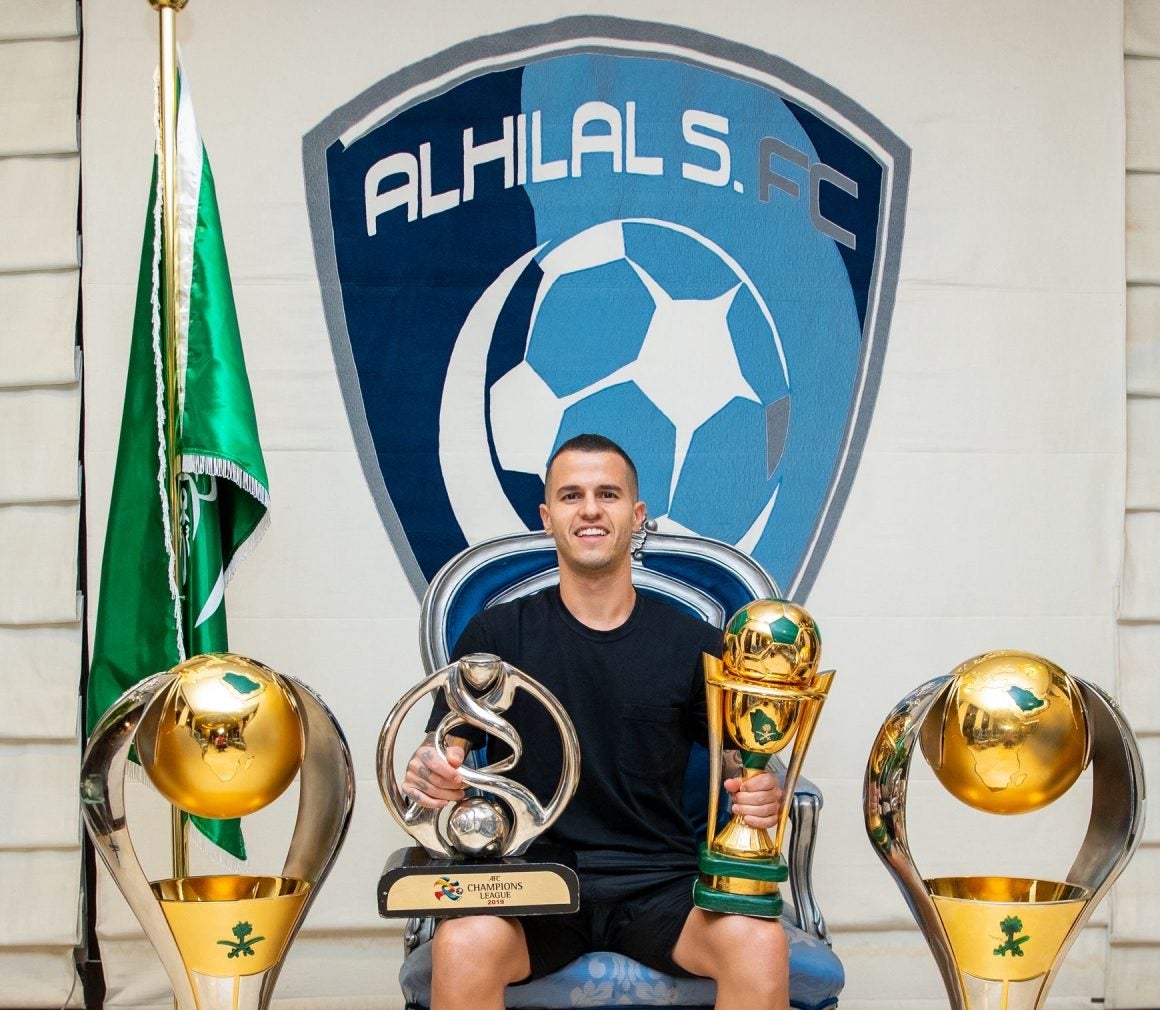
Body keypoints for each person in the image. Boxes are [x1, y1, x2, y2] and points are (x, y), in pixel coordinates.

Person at [404, 434, 790, 1010]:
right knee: (462, 945)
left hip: (663, 882)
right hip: (532, 877)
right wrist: (432, 773)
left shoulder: (697, 646)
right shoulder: (497, 636)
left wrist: (761, 788)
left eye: (607, 494)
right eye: (571, 495)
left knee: (759, 944)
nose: (589, 510)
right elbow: (444, 750)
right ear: (547, 517)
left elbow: (743, 764)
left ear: (637, 516)